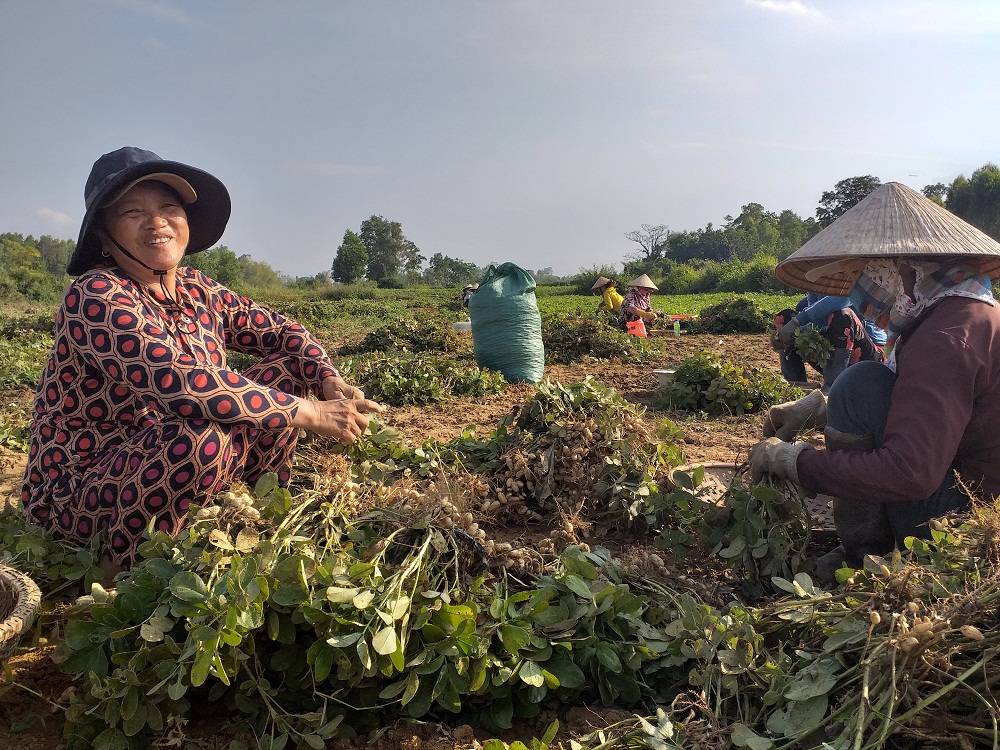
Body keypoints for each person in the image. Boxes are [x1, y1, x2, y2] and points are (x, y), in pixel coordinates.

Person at [20, 146, 383, 577]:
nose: (156, 222)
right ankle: (117, 566)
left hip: (162, 458)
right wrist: (309, 412)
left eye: (168, 207)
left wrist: (326, 379)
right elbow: (181, 383)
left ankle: (255, 512)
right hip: (81, 485)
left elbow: (284, 332)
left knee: (287, 370)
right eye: (133, 212)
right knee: (199, 438)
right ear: (104, 235)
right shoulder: (96, 295)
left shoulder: (197, 289)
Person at [748, 182, 1000, 584]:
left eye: (875, 271)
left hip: (965, 524)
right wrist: (819, 410)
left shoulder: (945, 338)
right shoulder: (964, 314)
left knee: (859, 384)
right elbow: (931, 413)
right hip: (966, 488)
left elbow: (910, 473)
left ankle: (866, 555)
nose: (869, 286)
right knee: (861, 384)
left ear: (906, 270)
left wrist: (794, 461)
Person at [770, 293, 886, 392]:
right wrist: (788, 333)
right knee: (787, 322)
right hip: (836, 358)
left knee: (842, 314)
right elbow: (818, 324)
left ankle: (830, 391)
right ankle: (796, 387)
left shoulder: (853, 282)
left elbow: (842, 299)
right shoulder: (815, 288)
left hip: (867, 357)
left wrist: (798, 321)